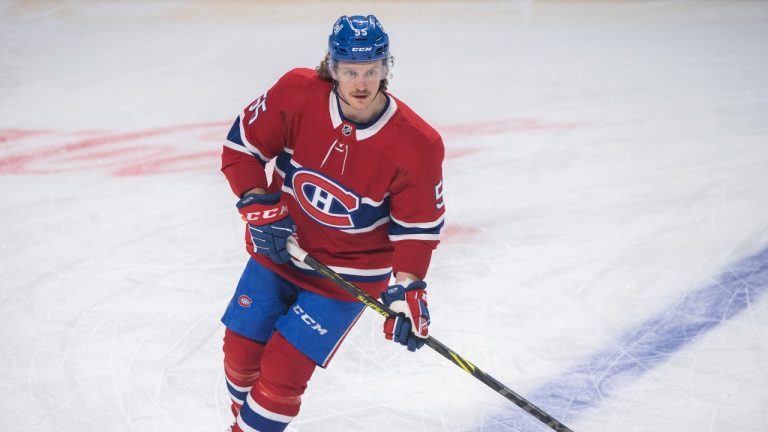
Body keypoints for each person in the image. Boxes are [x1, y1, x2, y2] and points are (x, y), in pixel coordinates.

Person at [219, 14, 445, 432]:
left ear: (386, 68)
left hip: (346, 277)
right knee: (240, 355)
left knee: (282, 377)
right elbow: (241, 148)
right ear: (333, 67)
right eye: (350, 71)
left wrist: (407, 287)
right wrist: (256, 204)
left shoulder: (418, 144)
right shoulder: (296, 94)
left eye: (372, 71)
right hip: (279, 249)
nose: (361, 83)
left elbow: (416, 229)